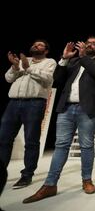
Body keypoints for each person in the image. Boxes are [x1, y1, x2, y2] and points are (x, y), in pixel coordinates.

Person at [23, 36, 95, 203]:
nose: (89, 45)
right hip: (66, 107)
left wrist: (84, 56)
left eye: (93, 44)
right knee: (61, 145)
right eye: (88, 42)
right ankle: (50, 184)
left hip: (88, 109)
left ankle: (87, 180)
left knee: (86, 145)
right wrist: (64, 58)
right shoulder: (74, 62)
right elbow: (56, 78)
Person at [0, 40, 56, 189]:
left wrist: (28, 68)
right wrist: (14, 66)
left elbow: (48, 79)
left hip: (34, 103)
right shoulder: (24, 60)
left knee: (31, 141)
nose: (35, 46)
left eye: (40, 45)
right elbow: (8, 78)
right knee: (3, 139)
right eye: (34, 44)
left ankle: (26, 175)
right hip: (13, 103)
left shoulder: (49, 62)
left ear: (46, 50)